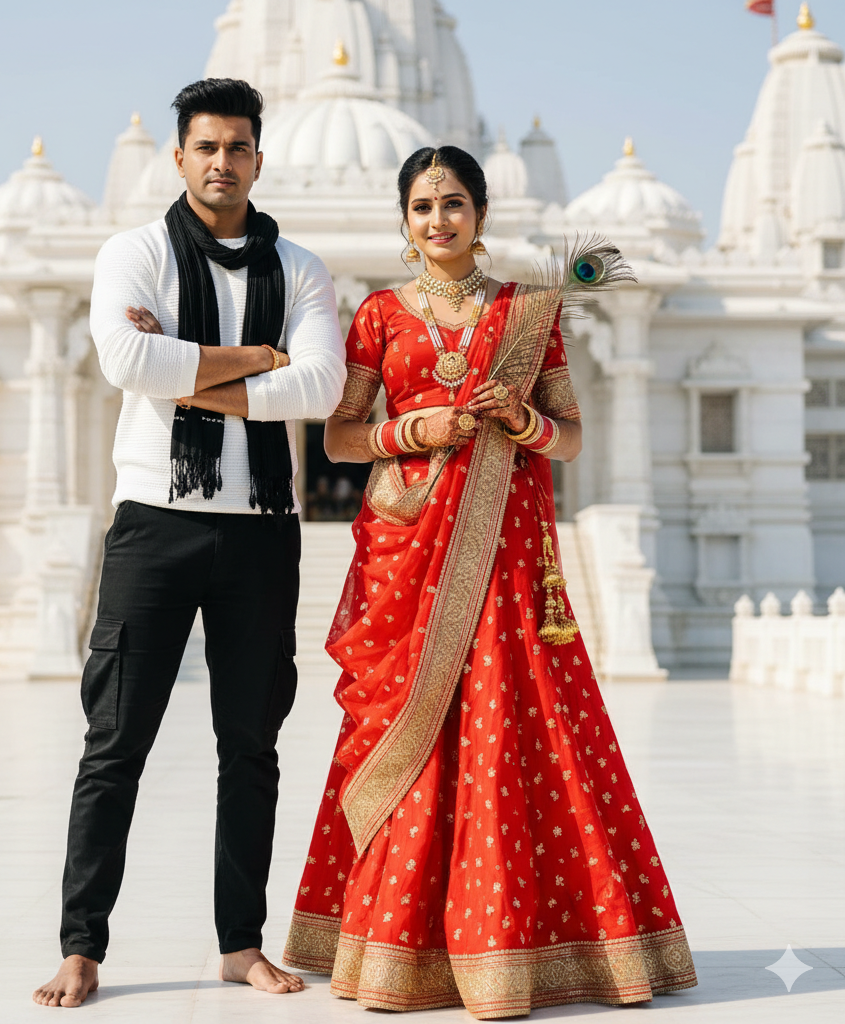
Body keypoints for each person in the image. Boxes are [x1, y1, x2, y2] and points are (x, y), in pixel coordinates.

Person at [282, 146, 697, 1018]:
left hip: (506, 551)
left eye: (456, 202)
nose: (440, 219)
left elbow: (572, 437)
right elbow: (340, 439)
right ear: (404, 219)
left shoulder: (529, 310)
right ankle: (396, 945)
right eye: (424, 205)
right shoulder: (379, 316)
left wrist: (524, 421)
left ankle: (521, 945)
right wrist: (418, 428)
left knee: (513, 720)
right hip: (410, 554)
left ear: (481, 213)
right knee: (410, 727)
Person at [34, 78, 346, 1008]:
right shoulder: (133, 254)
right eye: (205, 147)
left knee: (250, 746)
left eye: (238, 147)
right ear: (179, 158)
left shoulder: (301, 268)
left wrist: (185, 372)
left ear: (258, 156)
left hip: (261, 530)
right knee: (114, 743)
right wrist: (259, 357)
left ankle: (240, 943)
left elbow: (323, 389)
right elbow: (126, 362)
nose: (222, 162)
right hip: (155, 526)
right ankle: (82, 945)